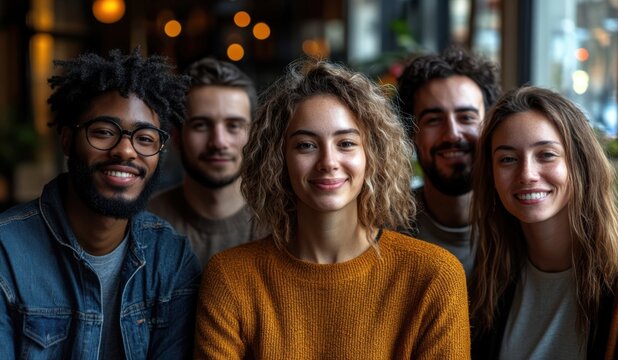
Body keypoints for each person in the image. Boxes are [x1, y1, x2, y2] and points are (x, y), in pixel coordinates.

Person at [194, 59, 470, 359]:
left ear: (372, 155)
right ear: (278, 159)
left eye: (346, 143)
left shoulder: (434, 276)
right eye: (306, 145)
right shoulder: (230, 278)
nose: (328, 161)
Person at [0, 49, 201, 359]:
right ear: (67, 140)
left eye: (145, 138)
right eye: (104, 132)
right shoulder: (7, 252)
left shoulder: (171, 259)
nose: (125, 151)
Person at [469, 86, 618, 359]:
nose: (526, 174)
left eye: (546, 154)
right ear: (491, 176)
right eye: (508, 159)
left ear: (580, 164)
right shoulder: (489, 279)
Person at [148, 58, 266, 266]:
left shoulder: (280, 225)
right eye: (201, 125)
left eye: (234, 126)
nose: (218, 142)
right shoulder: (145, 224)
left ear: (253, 135)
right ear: (176, 135)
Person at [397, 46, 501, 277]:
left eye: (467, 118)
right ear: (411, 133)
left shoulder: (523, 226)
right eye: (434, 120)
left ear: (491, 126)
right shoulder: (384, 232)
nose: (453, 134)